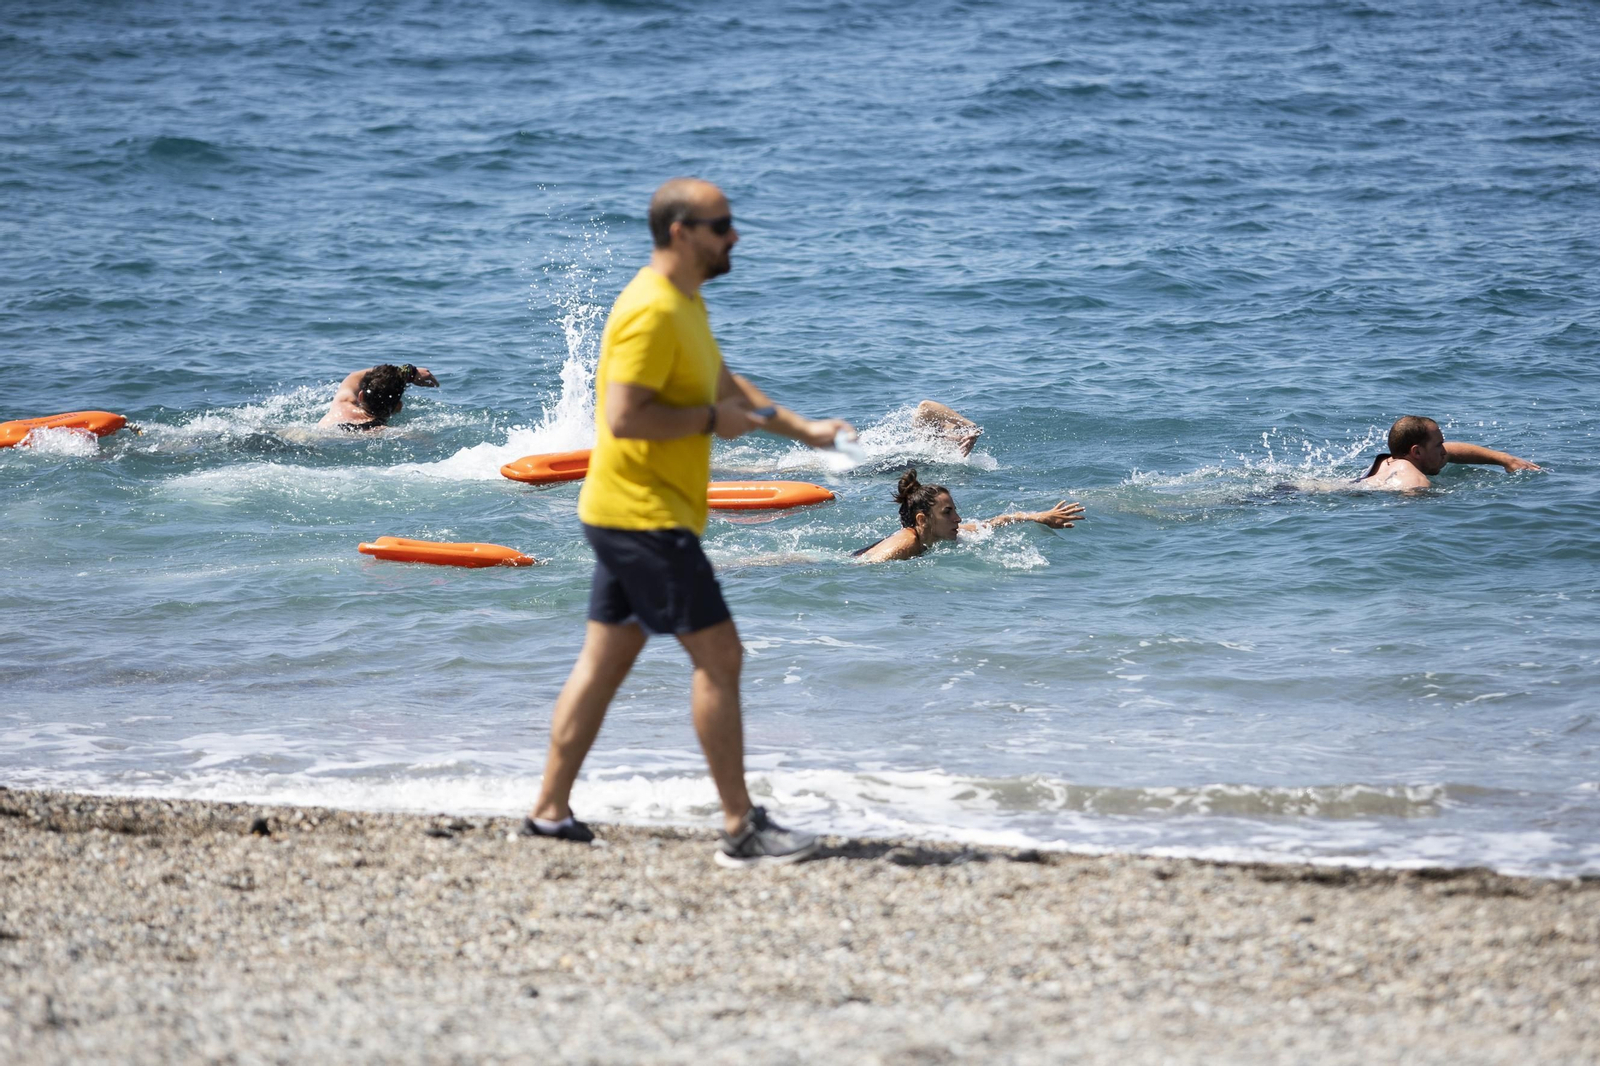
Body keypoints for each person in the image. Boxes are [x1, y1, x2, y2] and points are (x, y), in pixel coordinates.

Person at [523, 177, 854, 868]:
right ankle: (741, 829)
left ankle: (548, 814)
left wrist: (804, 432)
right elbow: (624, 417)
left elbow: (726, 385)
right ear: (681, 232)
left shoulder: (684, 303)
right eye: (721, 224)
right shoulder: (650, 311)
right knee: (721, 656)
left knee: (605, 662)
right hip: (643, 517)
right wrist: (711, 423)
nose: (734, 235)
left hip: (626, 513)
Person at [854, 468, 1085, 562]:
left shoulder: (937, 535)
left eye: (955, 510)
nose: (958, 519)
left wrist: (1039, 517)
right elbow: (862, 570)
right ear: (922, 520)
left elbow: (994, 523)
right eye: (948, 512)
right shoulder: (905, 543)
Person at [1356, 416, 1540, 490]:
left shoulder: (1390, 462)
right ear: (1417, 452)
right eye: (1439, 445)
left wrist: (1505, 459)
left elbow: (1453, 451)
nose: (1445, 452)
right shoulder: (1414, 479)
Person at [318, 363, 439, 430]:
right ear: (398, 407)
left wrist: (408, 372)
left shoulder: (342, 404)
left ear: (360, 396)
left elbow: (354, 376)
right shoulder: (383, 431)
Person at [913, 399, 982, 456]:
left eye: (960, 432)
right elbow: (924, 406)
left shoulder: (957, 458)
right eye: (955, 429)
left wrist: (975, 432)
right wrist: (971, 426)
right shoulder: (925, 438)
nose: (961, 437)